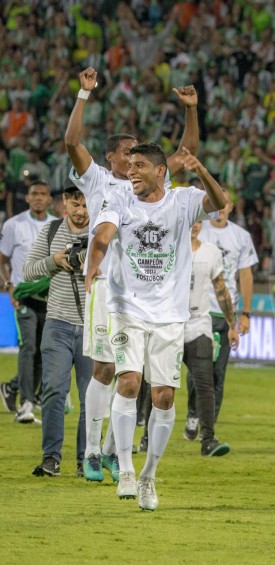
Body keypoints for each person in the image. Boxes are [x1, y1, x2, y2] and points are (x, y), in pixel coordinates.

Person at [65, 66, 200, 483]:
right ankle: (91, 450)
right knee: (105, 369)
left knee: (134, 377)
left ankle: (112, 452)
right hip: (104, 281)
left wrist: (191, 111)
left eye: (141, 156)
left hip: (144, 286)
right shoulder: (98, 180)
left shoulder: (147, 184)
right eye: (129, 153)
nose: (134, 159)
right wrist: (84, 95)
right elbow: (71, 141)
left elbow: (187, 152)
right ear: (112, 157)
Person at [86, 143, 227, 511]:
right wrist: (93, 262)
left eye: (140, 165)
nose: (131, 171)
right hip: (126, 307)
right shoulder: (119, 199)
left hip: (168, 313)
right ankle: (127, 469)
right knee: (129, 381)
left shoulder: (182, 201)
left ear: (161, 171)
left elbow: (220, 201)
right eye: (129, 165)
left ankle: (149, 475)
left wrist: (201, 171)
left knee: (164, 396)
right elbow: (102, 235)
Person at [27, 187, 91, 477]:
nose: (81, 211)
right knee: (54, 390)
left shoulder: (105, 230)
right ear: (64, 203)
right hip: (58, 324)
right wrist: (54, 261)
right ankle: (51, 457)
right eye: (75, 204)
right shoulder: (51, 230)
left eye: (86, 205)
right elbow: (28, 271)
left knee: (92, 397)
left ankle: (85, 459)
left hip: (93, 326)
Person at [184, 195, 257, 441]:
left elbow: (245, 275)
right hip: (195, 311)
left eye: (224, 204)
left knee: (218, 372)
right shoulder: (195, 228)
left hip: (224, 312)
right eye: (216, 204)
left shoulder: (241, 237)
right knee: (197, 370)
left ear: (230, 207)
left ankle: (208, 423)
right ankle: (193, 414)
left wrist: (244, 313)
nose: (220, 209)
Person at [182, 220, 239, 456]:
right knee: (157, 383)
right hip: (168, 323)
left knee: (205, 381)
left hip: (198, 324)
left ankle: (208, 440)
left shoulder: (211, 252)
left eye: (197, 221)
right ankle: (146, 437)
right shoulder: (167, 248)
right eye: (189, 220)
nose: (193, 225)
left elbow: (221, 288)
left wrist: (231, 323)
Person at [0, 180, 56, 422]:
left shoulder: (57, 226)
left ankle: (14, 389)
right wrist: (9, 286)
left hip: (50, 296)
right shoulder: (14, 225)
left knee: (44, 352)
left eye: (43, 194)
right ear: (27, 198)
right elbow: (2, 259)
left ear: (50, 199)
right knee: (28, 347)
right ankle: (26, 404)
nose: (38, 198)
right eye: (34, 194)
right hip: (23, 295)